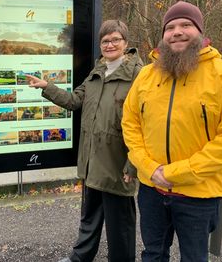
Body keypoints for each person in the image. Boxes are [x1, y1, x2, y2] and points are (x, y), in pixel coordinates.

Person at [122, 1, 222, 262]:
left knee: (194, 257)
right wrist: (150, 168)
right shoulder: (146, 75)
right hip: (151, 190)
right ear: (163, 36)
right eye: (170, 27)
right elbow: (130, 124)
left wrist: (175, 173)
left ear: (200, 32)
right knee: (153, 254)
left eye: (186, 25)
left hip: (199, 194)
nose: (177, 31)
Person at [27, 20, 143, 262]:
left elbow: (146, 124)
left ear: (126, 43)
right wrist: (47, 86)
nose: (110, 44)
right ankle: (80, 257)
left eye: (115, 39)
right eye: (105, 41)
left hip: (116, 165)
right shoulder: (96, 72)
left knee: (120, 225)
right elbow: (73, 101)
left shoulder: (139, 76)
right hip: (91, 163)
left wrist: (133, 164)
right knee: (89, 217)